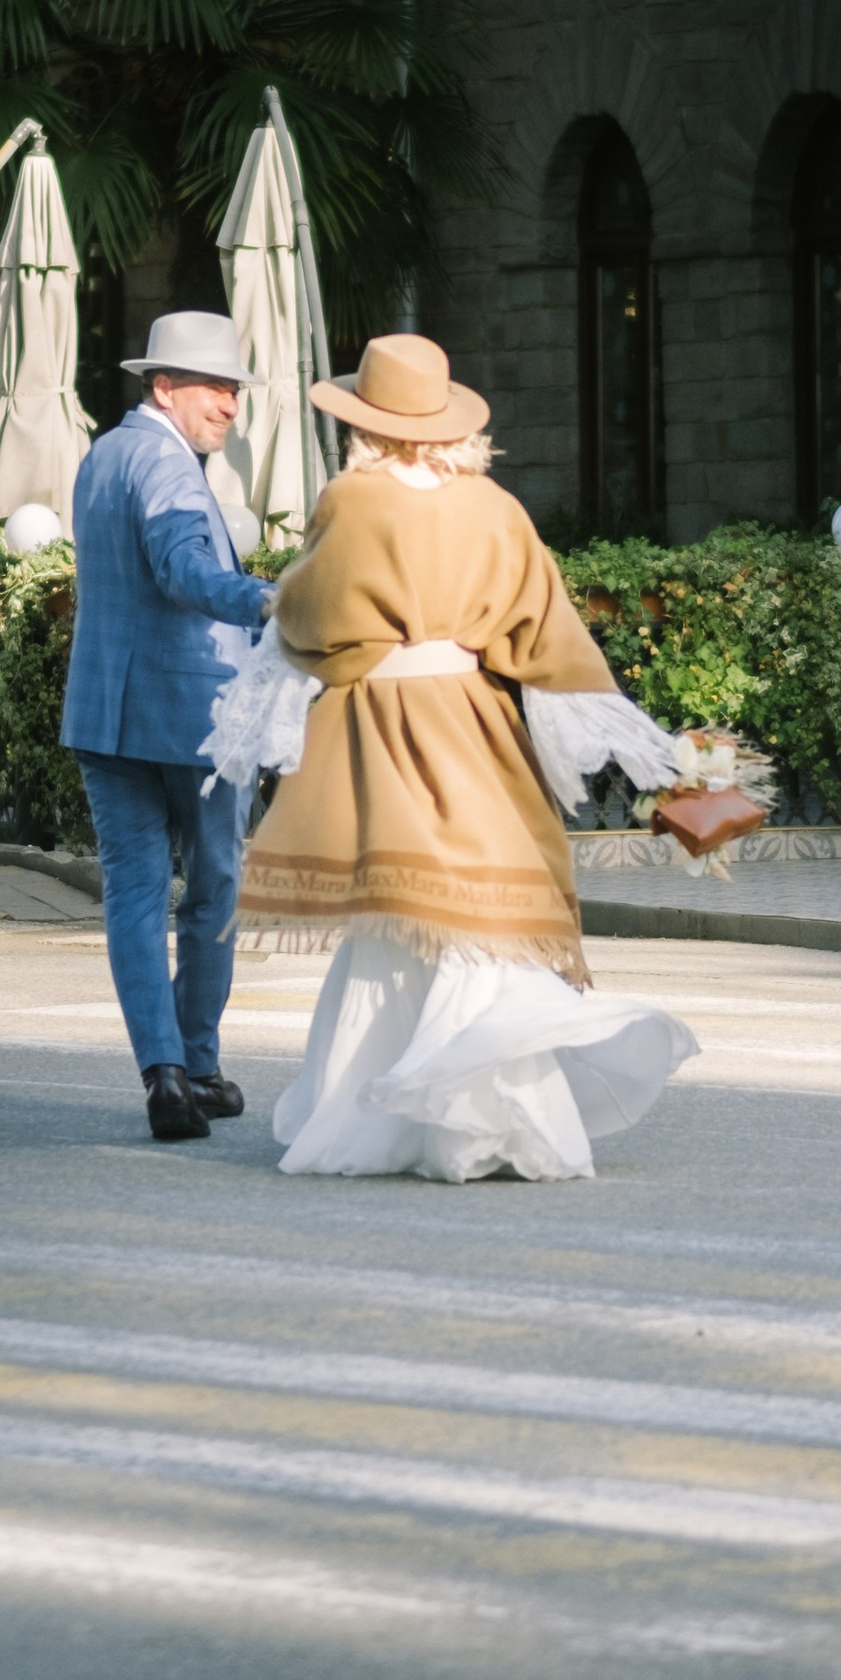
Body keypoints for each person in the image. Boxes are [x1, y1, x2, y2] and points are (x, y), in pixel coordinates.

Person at [208, 333, 696, 1182]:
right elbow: (544, 634)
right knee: (481, 914)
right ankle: (485, 1122)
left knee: (399, 916)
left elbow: (310, 617)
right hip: (474, 724)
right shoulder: (494, 506)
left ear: (367, 423)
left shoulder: (351, 500)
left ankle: (385, 1116)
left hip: (383, 722)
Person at [63, 310, 271, 1143]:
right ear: (164, 388)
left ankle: (164, 1076)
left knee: (136, 895)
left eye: (233, 389)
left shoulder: (103, 455)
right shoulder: (170, 467)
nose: (230, 405)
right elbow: (184, 567)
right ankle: (201, 1063)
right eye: (216, 388)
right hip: (193, 717)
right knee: (216, 887)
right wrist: (268, 598)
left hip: (102, 715)